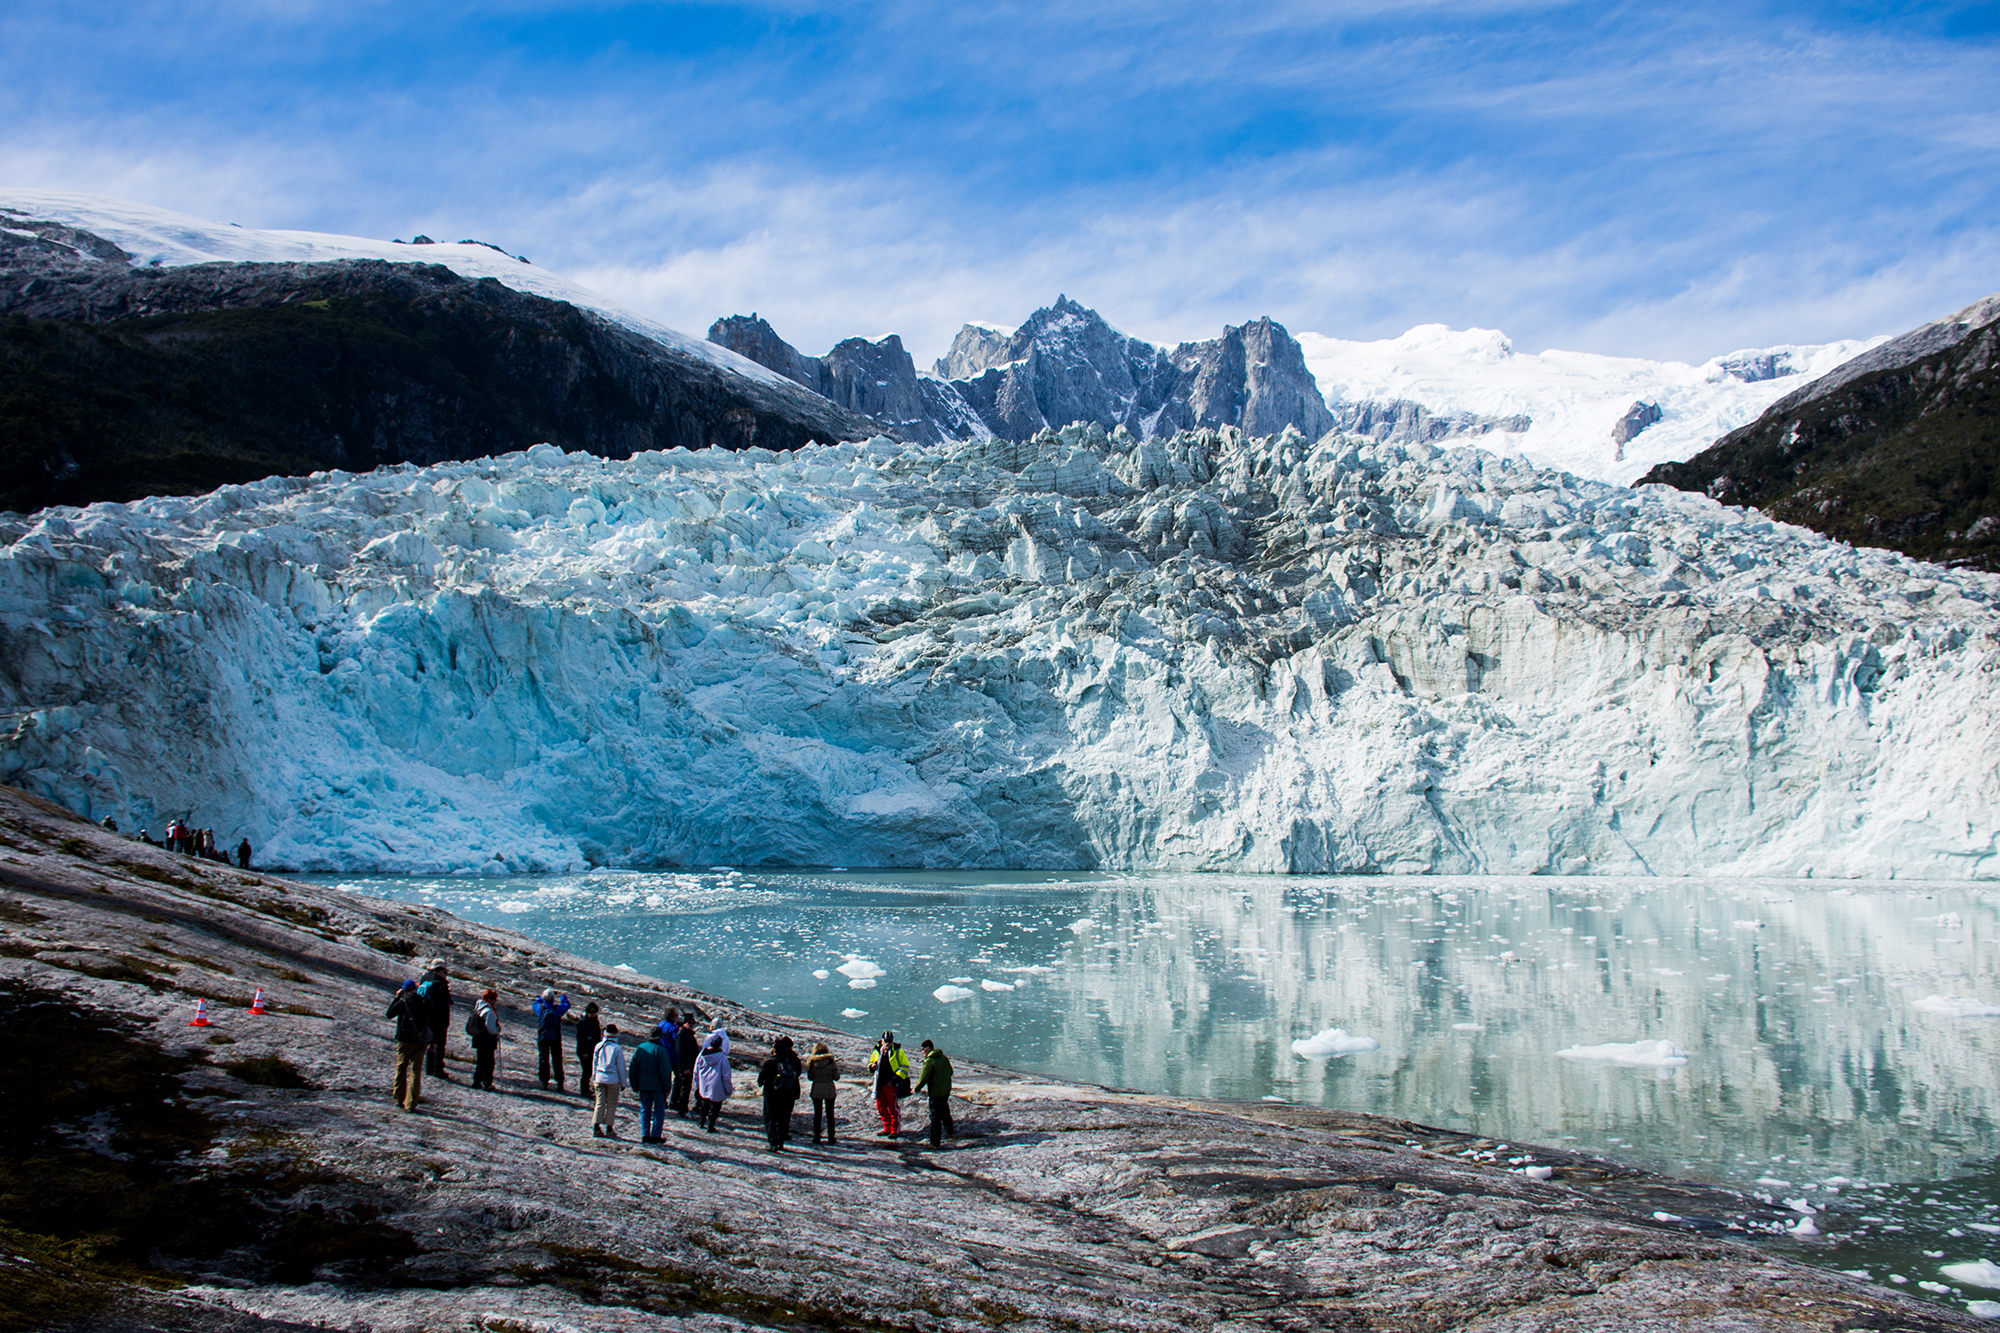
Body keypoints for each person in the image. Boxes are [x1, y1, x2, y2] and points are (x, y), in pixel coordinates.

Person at [385, 980, 431, 1112]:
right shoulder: (425, 1001)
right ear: (415, 988)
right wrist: (432, 1041)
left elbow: (389, 1014)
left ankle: (398, 1098)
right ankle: (411, 1104)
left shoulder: (403, 1001)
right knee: (416, 1071)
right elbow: (432, 1021)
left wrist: (397, 998)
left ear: (404, 990)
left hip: (405, 1039)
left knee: (401, 1068)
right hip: (420, 1040)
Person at [757, 1036, 804, 1151]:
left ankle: (773, 1142)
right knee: (782, 1116)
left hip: (770, 1092)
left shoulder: (769, 1063)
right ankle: (781, 1142)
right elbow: (797, 1073)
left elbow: (760, 1079)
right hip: (785, 1091)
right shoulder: (788, 1063)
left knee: (769, 1116)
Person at [628, 1025, 672, 1143]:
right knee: (659, 1111)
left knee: (645, 1109)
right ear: (660, 1038)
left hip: (643, 1085)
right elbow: (665, 1072)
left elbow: (633, 1067)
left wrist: (634, 1084)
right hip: (658, 1087)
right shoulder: (661, 1051)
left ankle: (645, 1134)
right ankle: (656, 1135)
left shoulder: (640, 1048)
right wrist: (667, 1087)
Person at [867, 1031, 909, 1138]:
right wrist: (872, 1067)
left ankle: (894, 1130)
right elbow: (871, 1062)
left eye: (890, 1041)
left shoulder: (898, 1052)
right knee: (881, 1107)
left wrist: (894, 1080)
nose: (887, 1043)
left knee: (892, 1108)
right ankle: (887, 1128)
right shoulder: (877, 1051)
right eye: (886, 1041)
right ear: (882, 1041)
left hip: (891, 1085)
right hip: (879, 1084)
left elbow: (905, 1067)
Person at [915, 1039, 956, 1148]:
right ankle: (950, 1133)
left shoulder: (930, 1061)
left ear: (928, 1048)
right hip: (946, 1090)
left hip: (936, 1092)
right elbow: (950, 1072)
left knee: (935, 1117)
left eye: (923, 1049)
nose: (922, 1052)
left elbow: (923, 1078)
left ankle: (935, 1142)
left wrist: (916, 1089)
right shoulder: (944, 1058)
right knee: (945, 1111)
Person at [590, 1024, 628, 1138]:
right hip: (612, 1079)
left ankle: (596, 1127)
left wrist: (594, 1077)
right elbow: (621, 1067)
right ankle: (609, 1128)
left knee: (599, 1103)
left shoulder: (599, 1046)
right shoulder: (617, 1048)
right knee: (611, 1104)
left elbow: (594, 1063)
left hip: (599, 1078)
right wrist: (623, 1082)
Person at [417, 959, 453, 1079]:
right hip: (439, 1018)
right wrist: (446, 1022)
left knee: (431, 1042)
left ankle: (429, 1068)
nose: (446, 974)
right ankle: (438, 1069)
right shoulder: (441, 985)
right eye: (445, 972)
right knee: (440, 1045)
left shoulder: (426, 979)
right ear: (439, 971)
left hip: (427, 1016)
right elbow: (444, 1005)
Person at [533, 989, 572, 1092]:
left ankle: (544, 1082)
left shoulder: (540, 1008)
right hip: (555, 1036)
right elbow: (567, 1005)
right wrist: (562, 996)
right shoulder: (557, 1009)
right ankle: (560, 1083)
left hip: (543, 1036)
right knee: (557, 1059)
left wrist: (541, 997)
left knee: (543, 1059)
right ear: (553, 999)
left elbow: (535, 1004)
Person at [693, 1034, 732, 1132]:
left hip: (703, 1085)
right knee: (715, 1107)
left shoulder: (701, 1055)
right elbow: (726, 1076)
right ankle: (710, 1126)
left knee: (704, 1104)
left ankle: (701, 1122)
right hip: (717, 1086)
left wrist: (697, 1084)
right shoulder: (723, 1058)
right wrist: (729, 1089)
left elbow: (696, 1071)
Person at [805, 1042, 841, 1145]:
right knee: (830, 1114)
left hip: (816, 1090)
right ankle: (831, 1137)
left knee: (817, 1114)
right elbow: (836, 1077)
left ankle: (817, 1136)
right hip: (829, 1090)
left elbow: (810, 1078)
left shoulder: (811, 1062)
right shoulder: (831, 1061)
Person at [469, 988, 501, 1090]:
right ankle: (487, 1083)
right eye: (494, 999)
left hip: (479, 1039)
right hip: (487, 1041)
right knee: (489, 1063)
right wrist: (497, 1030)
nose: (495, 1001)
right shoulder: (489, 1011)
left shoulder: (479, 1008)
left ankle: (476, 1081)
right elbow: (491, 1029)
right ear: (489, 1000)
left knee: (480, 1062)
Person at [671, 1012, 700, 1117]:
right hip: (685, 1067)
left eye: (693, 1023)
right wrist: (684, 1067)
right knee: (684, 1088)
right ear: (684, 1023)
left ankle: (681, 1107)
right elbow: (679, 1052)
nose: (691, 1025)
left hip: (690, 1066)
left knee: (686, 1088)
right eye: (689, 1022)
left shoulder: (688, 1034)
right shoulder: (682, 1034)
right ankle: (682, 1109)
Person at [575, 1001, 603, 1094]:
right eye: (591, 1012)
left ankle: (586, 1088)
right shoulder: (583, 1022)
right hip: (585, 1051)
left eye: (595, 1012)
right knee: (586, 1070)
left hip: (593, 1050)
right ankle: (584, 1089)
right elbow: (581, 1038)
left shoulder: (595, 1022)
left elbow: (597, 1037)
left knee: (590, 1070)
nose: (593, 1014)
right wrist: (584, 1052)